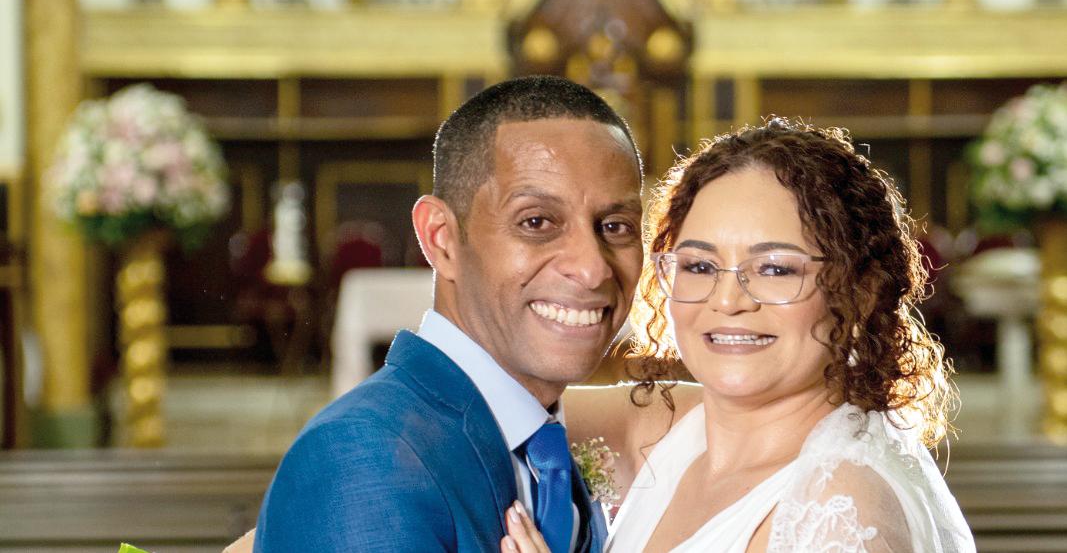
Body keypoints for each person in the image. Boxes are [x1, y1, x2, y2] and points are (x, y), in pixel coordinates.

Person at [500, 118, 975, 553]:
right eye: (700, 266)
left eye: (774, 268)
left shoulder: (841, 512)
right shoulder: (665, 427)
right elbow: (475, 397)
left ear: (860, 294)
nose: (727, 301)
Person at [252, 75, 645, 552]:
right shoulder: (363, 456)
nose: (591, 267)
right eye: (537, 222)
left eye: (616, 225)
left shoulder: (543, 441)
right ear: (441, 237)